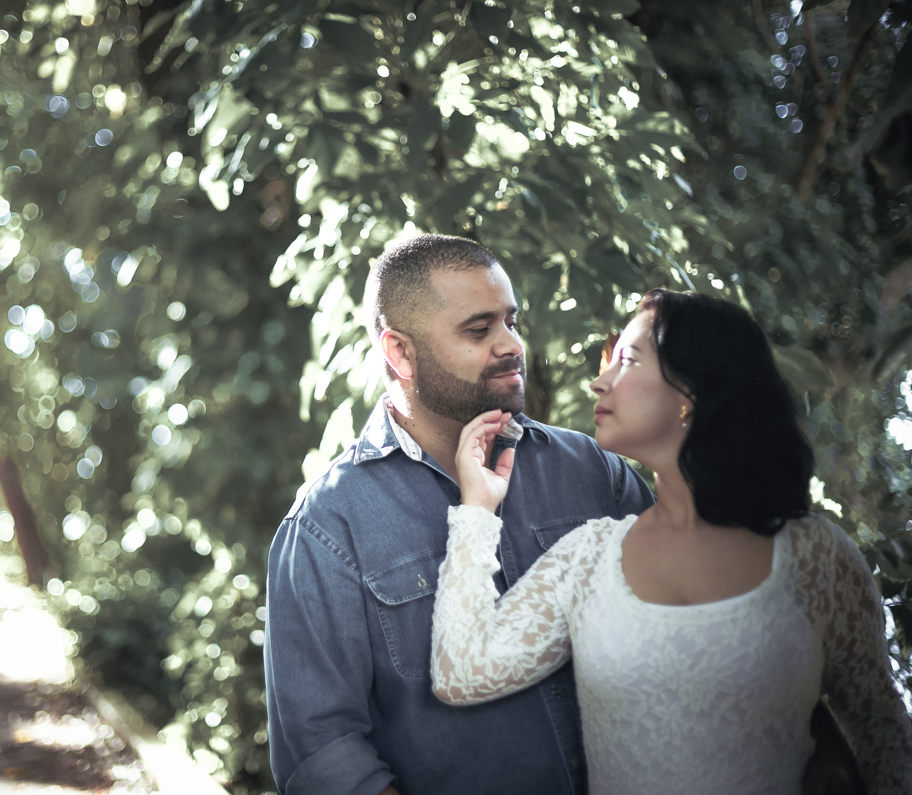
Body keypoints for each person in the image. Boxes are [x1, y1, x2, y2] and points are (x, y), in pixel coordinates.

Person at [431, 289, 912, 795]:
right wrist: (478, 508)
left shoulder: (815, 556)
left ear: (690, 391)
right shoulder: (588, 558)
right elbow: (461, 672)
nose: (599, 382)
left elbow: (881, 731)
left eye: (627, 361)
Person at [264, 234, 653, 795]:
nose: (511, 344)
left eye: (511, 321)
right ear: (399, 352)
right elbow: (321, 754)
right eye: (479, 329)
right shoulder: (328, 526)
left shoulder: (592, 469)